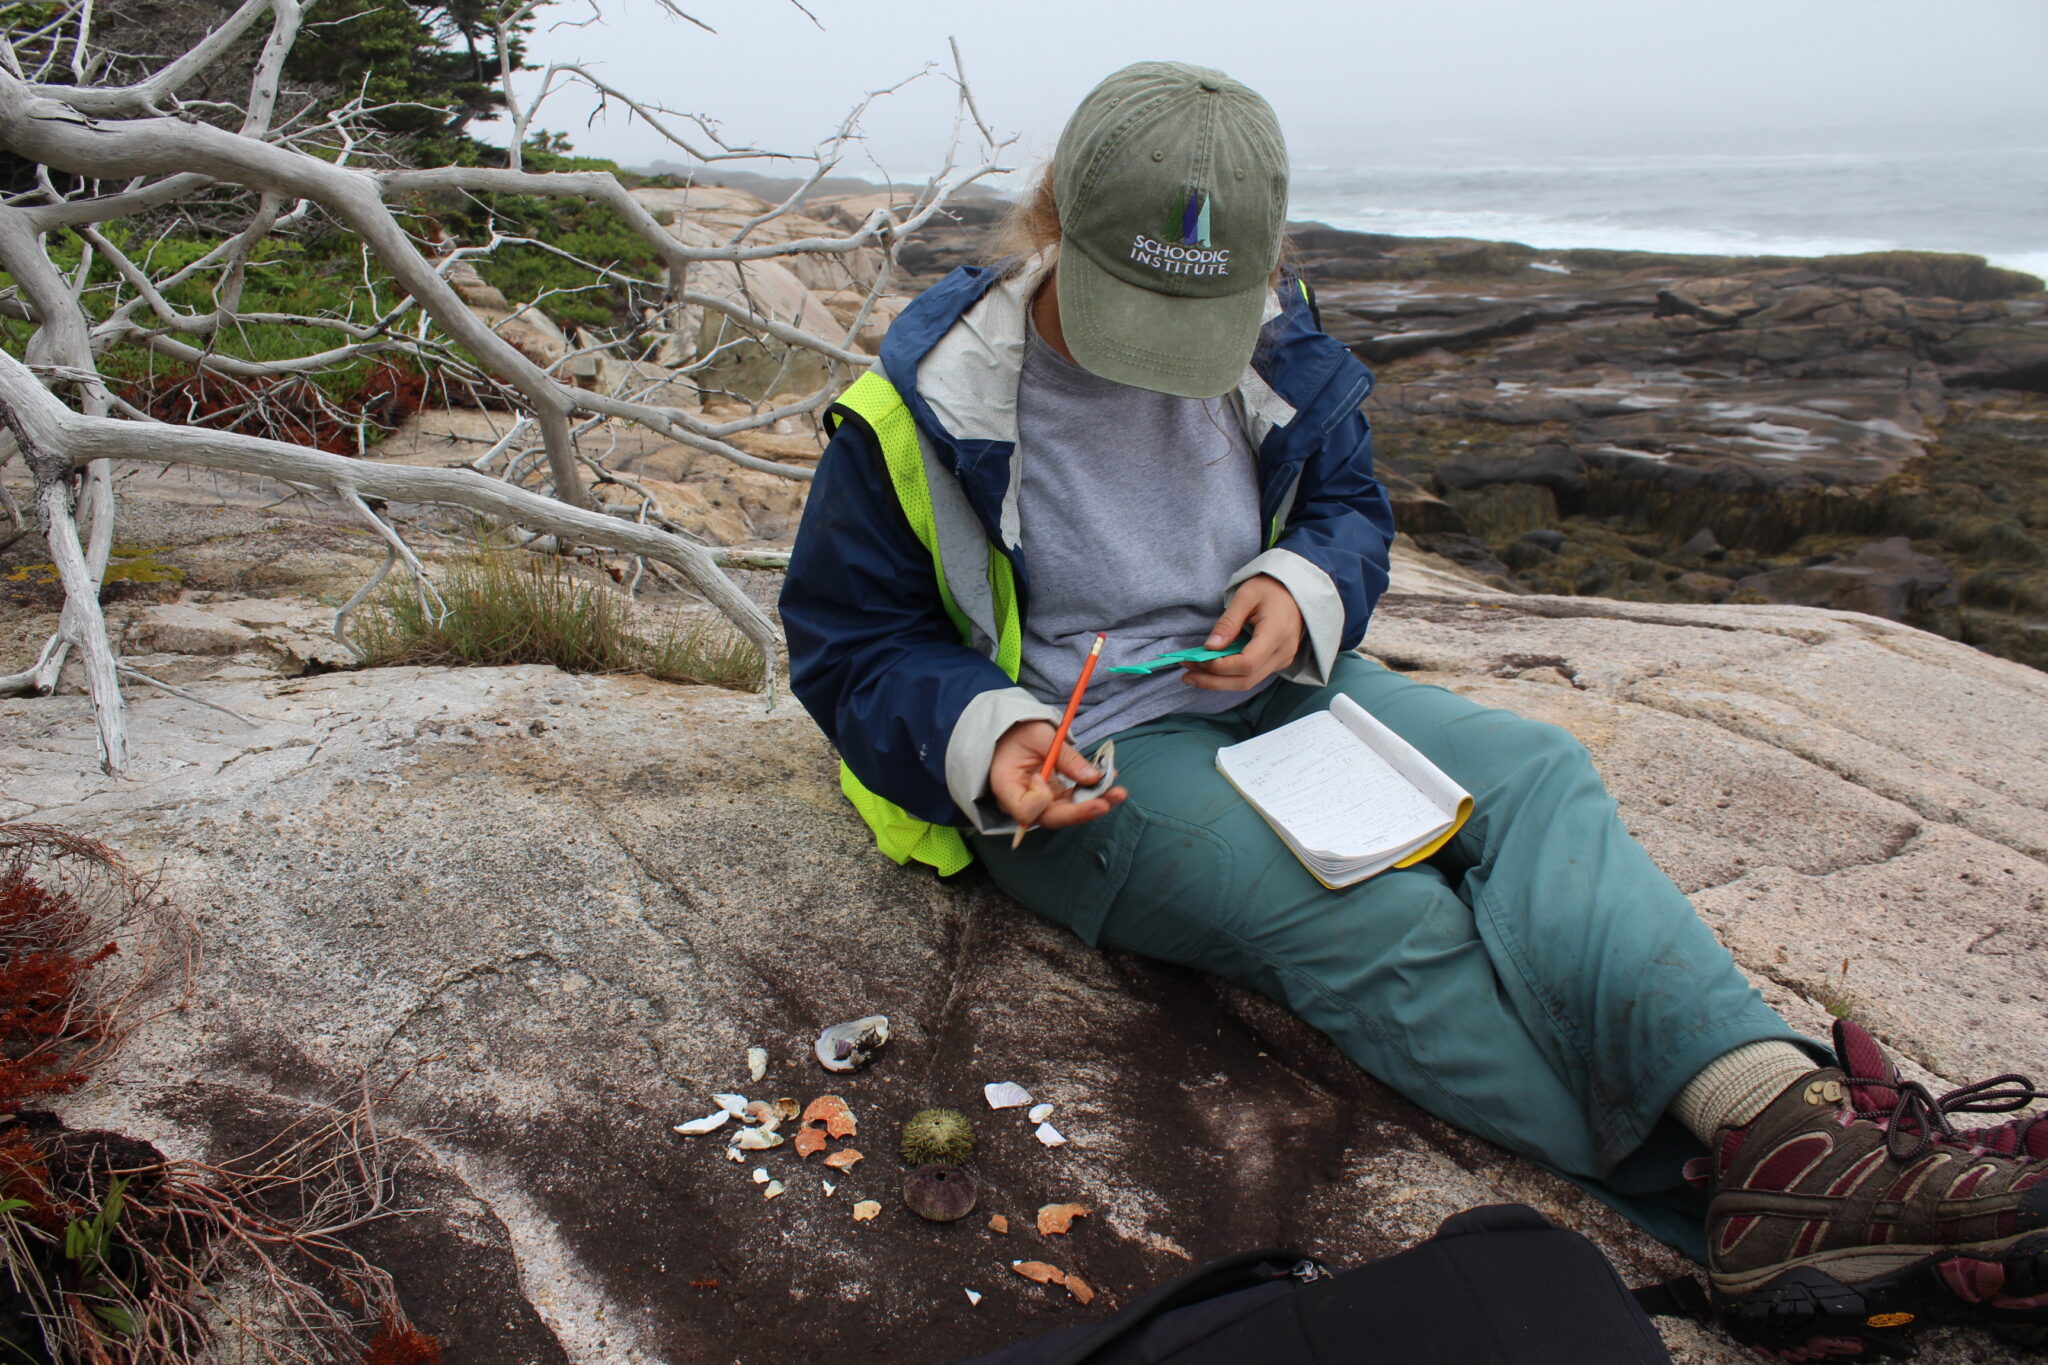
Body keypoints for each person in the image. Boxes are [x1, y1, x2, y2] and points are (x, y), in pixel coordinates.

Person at [779, 61, 2048, 1359]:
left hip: (1272, 682)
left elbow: (1346, 515)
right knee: (1376, 907)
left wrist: (1297, 586)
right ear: (1053, 221)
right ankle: (1732, 1193)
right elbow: (845, 641)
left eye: (1195, 321)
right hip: (1083, 749)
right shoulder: (924, 401)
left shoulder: (1277, 336)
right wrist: (990, 742)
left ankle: (1787, 1120)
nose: (1165, 365)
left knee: (1538, 775)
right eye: (1130, 314)